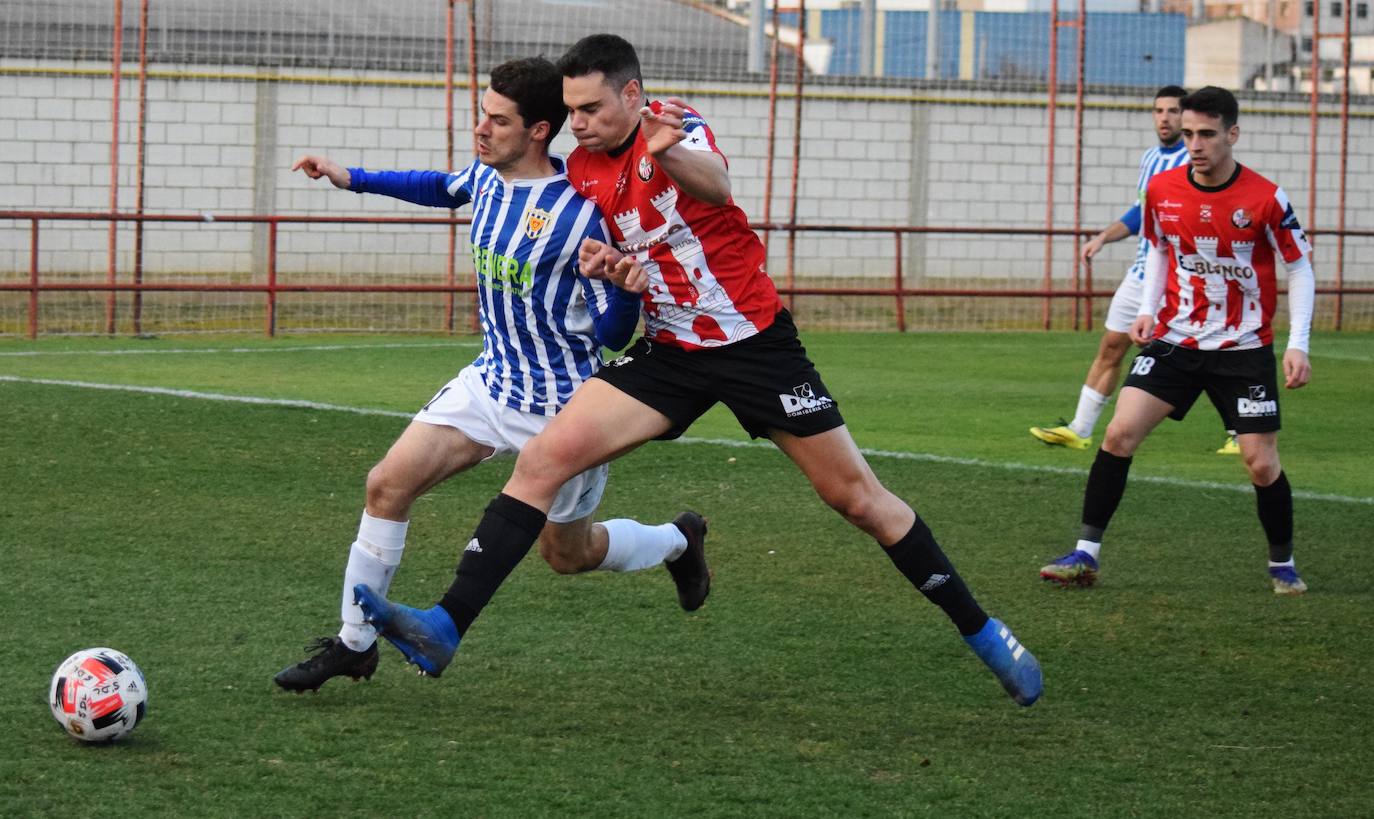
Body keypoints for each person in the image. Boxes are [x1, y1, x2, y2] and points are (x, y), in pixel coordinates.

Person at [353, 33, 1042, 706]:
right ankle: (445, 626)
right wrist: (612, 271)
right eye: (572, 110)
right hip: (672, 353)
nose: (579, 124)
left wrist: (669, 154)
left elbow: (715, 187)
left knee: (856, 498)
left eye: (592, 109)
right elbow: (610, 271)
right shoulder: (584, 171)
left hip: (755, 349)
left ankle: (984, 631)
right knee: (543, 458)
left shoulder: (677, 128)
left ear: (632, 94)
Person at [273, 57, 710, 693]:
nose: (481, 128)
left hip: (563, 410)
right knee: (386, 485)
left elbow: (615, 335)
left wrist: (626, 289)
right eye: (482, 112)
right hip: (490, 383)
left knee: (568, 555)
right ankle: (353, 645)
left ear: (538, 130)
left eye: (497, 120)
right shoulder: (485, 175)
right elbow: (438, 186)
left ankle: (677, 539)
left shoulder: (580, 211)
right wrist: (351, 178)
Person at [1038, 86, 1314, 595]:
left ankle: (1282, 564)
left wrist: (1298, 342)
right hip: (1175, 341)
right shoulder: (1163, 189)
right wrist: (1146, 312)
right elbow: (1161, 250)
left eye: (1207, 134)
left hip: (1243, 350)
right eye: (1188, 134)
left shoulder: (1266, 198)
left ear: (1233, 134)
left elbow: (1299, 269)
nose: (1195, 144)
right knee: (1118, 435)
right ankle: (1085, 554)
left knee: (1260, 462)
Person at [1031, 86, 1235, 456]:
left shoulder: (1194, 163)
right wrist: (1104, 238)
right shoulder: (1149, 160)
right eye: (1159, 111)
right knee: (1111, 344)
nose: (1165, 118)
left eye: (1173, 111)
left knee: (1199, 352)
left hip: (1177, 278)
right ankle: (1079, 429)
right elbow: (1141, 211)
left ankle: (1240, 429)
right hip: (1141, 270)